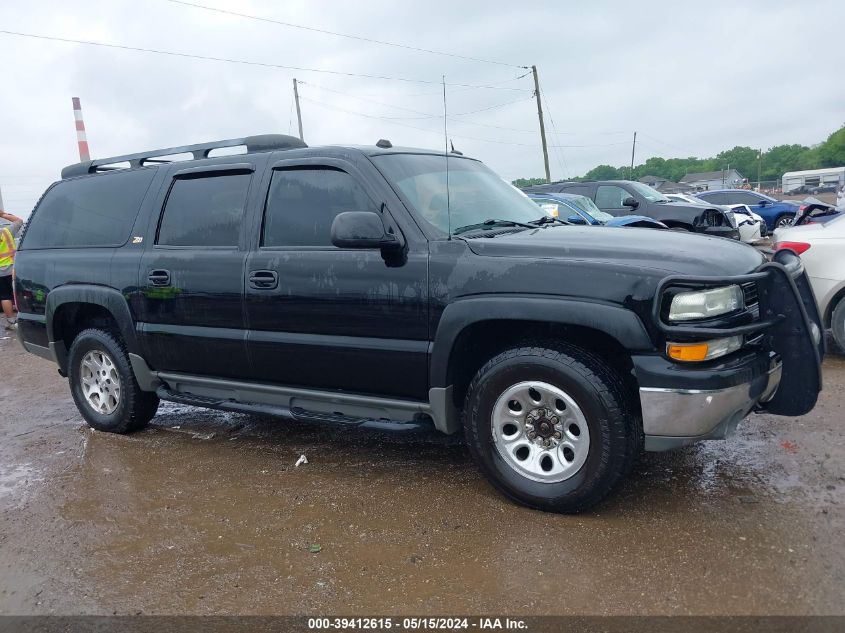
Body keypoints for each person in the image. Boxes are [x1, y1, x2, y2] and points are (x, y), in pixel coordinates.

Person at [0, 209, 23, 330]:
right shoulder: (6, 231)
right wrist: (3, 214)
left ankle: (11, 321)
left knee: (5, 296)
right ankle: (23, 319)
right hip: (13, 269)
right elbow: (19, 221)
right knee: (17, 293)